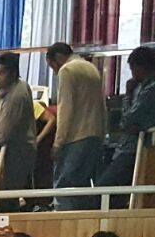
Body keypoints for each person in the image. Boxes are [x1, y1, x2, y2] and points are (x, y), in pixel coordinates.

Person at [99, 46, 155, 190]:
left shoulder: (154, 88)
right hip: (130, 145)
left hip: (137, 147)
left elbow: (128, 119)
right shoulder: (143, 86)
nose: (132, 73)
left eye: (132, 68)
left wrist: (128, 95)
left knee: (104, 187)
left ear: (141, 67)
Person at [41, 44, 108, 210]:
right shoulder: (91, 68)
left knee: (64, 187)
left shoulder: (67, 70)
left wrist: (58, 143)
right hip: (95, 136)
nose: (54, 72)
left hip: (75, 137)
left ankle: (64, 221)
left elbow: (65, 109)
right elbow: (102, 105)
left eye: (52, 66)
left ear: (57, 58)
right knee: (83, 188)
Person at [0, 52, 39, 199]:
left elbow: (1, 136)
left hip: (17, 155)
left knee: (8, 200)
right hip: (19, 151)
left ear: (13, 73)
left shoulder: (15, 96)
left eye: (1, 73)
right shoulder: (18, 86)